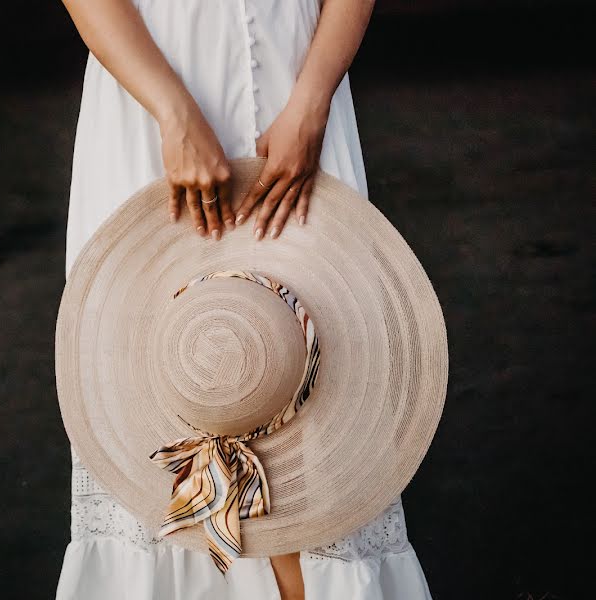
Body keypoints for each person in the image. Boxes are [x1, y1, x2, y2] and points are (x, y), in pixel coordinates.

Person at [56, 1, 433, 599]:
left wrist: (312, 103)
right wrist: (172, 111)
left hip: (297, 96)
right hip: (148, 104)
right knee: (182, 372)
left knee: (315, 385)